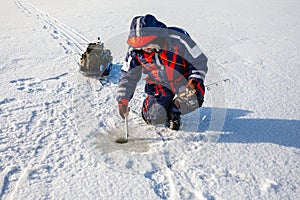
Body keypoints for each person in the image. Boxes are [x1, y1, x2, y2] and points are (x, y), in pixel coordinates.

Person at [116, 14, 208, 130]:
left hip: (183, 81)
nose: (145, 48)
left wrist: (194, 81)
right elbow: (127, 76)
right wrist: (123, 99)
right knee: (153, 118)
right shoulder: (135, 51)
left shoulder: (178, 39)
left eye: (147, 42)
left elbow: (198, 62)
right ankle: (159, 103)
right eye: (141, 45)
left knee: (193, 98)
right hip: (158, 83)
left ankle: (174, 111)